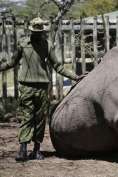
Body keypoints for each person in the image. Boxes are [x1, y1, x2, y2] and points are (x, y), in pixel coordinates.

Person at [0, 17, 83, 161]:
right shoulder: (23, 44)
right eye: (35, 31)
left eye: (40, 32)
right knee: (27, 117)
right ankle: (23, 150)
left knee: (40, 119)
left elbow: (58, 66)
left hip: (43, 87)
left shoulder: (47, 45)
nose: (38, 34)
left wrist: (75, 77)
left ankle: (37, 150)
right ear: (30, 30)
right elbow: (12, 62)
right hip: (26, 86)